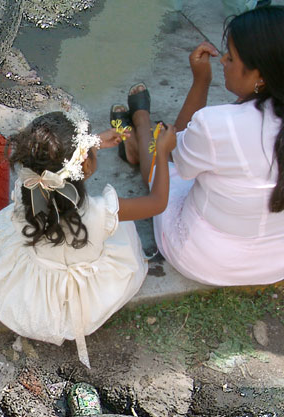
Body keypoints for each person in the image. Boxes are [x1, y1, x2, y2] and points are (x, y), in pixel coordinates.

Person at [0, 110, 175, 367]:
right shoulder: (101, 212)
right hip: (89, 296)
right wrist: (163, 153)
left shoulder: (28, 189)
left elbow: (55, 165)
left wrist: (93, 143)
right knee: (122, 227)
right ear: (85, 165)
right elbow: (158, 203)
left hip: (33, 289)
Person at [119, 6, 284, 286]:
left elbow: (175, 154)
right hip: (276, 262)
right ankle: (138, 140)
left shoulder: (216, 124)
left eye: (231, 57)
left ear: (261, 76)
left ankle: (141, 124)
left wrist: (201, 81)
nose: (224, 62)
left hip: (207, 260)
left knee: (165, 164)